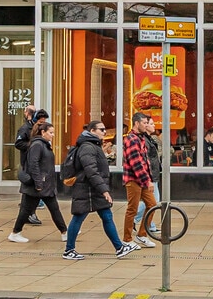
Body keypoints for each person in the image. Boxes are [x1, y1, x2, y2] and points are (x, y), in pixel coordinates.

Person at [61, 119, 128, 260]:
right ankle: (69, 250)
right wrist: (104, 190)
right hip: (88, 189)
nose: (104, 132)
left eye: (104, 129)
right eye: (101, 129)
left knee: (106, 216)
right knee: (79, 217)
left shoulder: (92, 145)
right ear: (92, 131)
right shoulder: (87, 147)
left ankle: (119, 247)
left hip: (93, 189)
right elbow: (91, 170)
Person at [8, 117, 67, 242]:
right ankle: (15, 232)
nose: (53, 135)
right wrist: (38, 183)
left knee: (54, 208)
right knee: (25, 210)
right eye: (50, 132)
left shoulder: (43, 145)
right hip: (37, 185)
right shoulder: (37, 145)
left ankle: (65, 232)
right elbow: (33, 164)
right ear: (43, 132)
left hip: (45, 184)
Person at [121, 111, 157, 250]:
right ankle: (127, 239)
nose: (146, 125)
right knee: (132, 209)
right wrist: (147, 180)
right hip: (133, 179)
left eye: (147, 123)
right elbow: (136, 163)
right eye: (144, 123)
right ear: (136, 123)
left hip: (141, 180)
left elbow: (144, 161)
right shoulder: (132, 139)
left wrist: (147, 179)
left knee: (152, 204)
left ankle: (142, 234)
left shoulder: (140, 138)